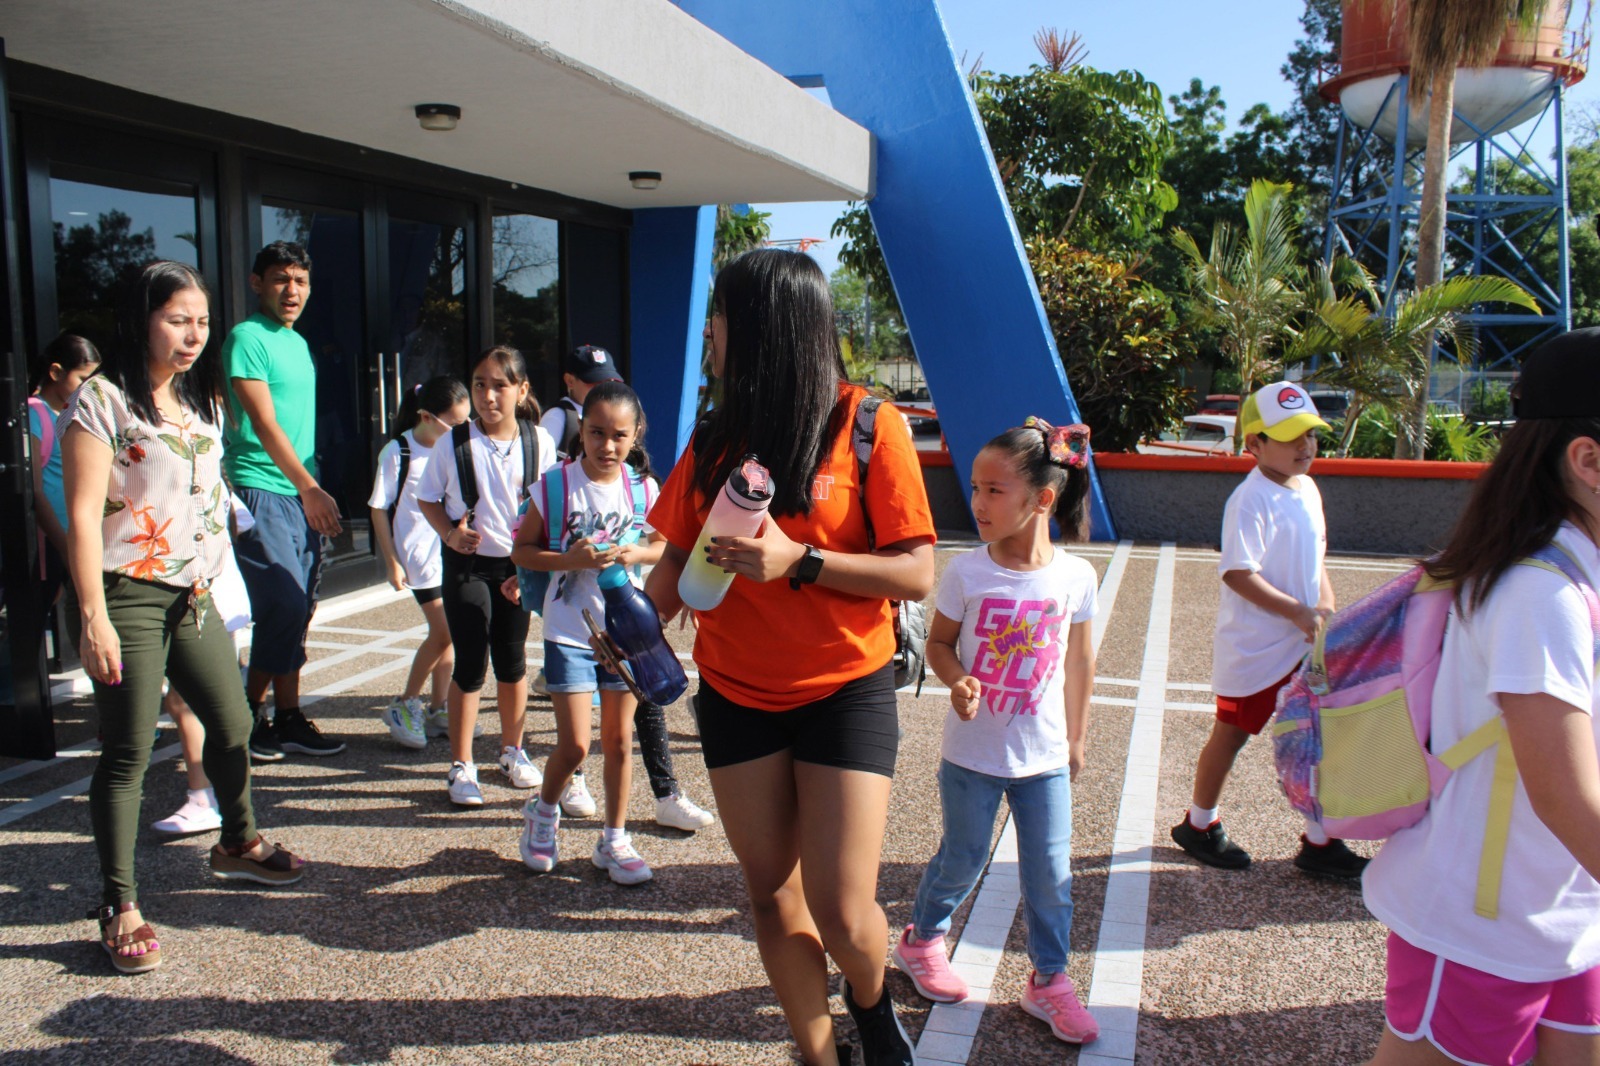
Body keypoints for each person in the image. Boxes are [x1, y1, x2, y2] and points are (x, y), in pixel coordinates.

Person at [643, 249, 936, 1066]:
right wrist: (632, 627)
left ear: (766, 328)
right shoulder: (714, 436)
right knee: (773, 896)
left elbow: (915, 572)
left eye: (721, 315)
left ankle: (870, 1000)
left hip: (845, 689)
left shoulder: (869, 425)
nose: (710, 331)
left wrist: (798, 561)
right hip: (735, 693)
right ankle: (819, 1054)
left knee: (842, 911)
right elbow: (675, 563)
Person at [1360, 330, 1600, 1065]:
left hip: (1566, 908)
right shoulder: (1540, 595)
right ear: (1588, 460)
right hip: (1480, 924)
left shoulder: (1575, 575)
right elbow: (1564, 795)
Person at [61, 260, 305, 975]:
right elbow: (82, 517)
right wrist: (93, 616)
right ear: (142, 319)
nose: (194, 335)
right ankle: (118, 902)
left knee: (232, 725)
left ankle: (238, 843)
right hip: (127, 594)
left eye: (201, 322)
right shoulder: (102, 401)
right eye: (177, 320)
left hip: (194, 595)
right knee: (129, 751)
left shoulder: (199, 401)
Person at [894, 417, 1100, 1045]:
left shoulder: (1076, 577)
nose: (978, 502)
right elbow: (939, 645)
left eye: (994, 490)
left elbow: (1080, 662)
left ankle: (1050, 981)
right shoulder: (967, 572)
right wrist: (957, 680)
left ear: (1043, 499)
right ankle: (921, 941)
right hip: (972, 755)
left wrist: (1076, 738)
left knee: (1051, 875)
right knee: (963, 857)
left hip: (1044, 757)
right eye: (975, 488)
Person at [1170, 381, 1364, 879]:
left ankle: (1320, 840)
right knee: (1231, 736)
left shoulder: (1308, 489)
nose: (1305, 445)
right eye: (1290, 436)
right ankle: (1199, 824)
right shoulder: (1250, 499)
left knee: (1316, 738)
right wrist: (1295, 611)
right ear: (1254, 444)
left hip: (1302, 648)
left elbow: (1316, 558)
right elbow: (1238, 572)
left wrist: (1323, 602)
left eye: (1310, 434)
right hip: (1256, 651)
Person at [513, 380, 665, 883]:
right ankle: (543, 811)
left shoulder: (643, 489)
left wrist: (637, 552)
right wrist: (569, 560)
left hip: (623, 632)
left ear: (636, 434)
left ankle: (614, 839)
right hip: (569, 630)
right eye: (596, 432)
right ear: (581, 430)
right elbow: (521, 551)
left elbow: (662, 545)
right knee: (576, 745)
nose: (607, 445)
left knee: (619, 742)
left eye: (619, 435)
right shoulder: (555, 485)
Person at [416, 345, 556, 806]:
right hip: (468, 566)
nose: (488, 395)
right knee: (472, 662)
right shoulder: (454, 442)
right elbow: (427, 498)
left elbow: (548, 504)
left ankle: (513, 751)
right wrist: (448, 534)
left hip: (517, 565)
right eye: (480, 385)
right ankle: (462, 764)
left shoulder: (540, 441)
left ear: (522, 390)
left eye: (500, 385)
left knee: (512, 662)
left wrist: (534, 563)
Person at [222, 240, 344, 761]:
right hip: (261, 486)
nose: (291, 290)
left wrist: (309, 486)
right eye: (280, 279)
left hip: (299, 489)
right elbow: (264, 423)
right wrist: (309, 487)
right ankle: (247, 713)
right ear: (258, 284)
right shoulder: (246, 338)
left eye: (300, 281)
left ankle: (288, 717)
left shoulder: (296, 341)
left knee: (301, 608)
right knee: (283, 603)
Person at [368, 375, 471, 748]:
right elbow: (378, 508)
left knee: (450, 635)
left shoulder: (453, 450)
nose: (463, 431)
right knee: (444, 632)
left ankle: (439, 709)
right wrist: (391, 561)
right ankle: (406, 702)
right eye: (455, 424)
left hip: (448, 552)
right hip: (417, 557)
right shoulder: (399, 451)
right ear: (427, 416)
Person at [152, 497, 254, 835]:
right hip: (212, 598)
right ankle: (214, 799)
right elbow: (242, 524)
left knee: (186, 704)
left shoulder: (191, 484)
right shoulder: (212, 483)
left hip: (205, 600)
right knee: (200, 707)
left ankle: (205, 798)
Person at [29, 333, 101, 613]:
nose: (89, 389)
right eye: (83, 379)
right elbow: (35, 490)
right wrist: (66, 549)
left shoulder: (74, 416)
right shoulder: (34, 414)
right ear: (56, 372)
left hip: (74, 542)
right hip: (51, 545)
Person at [538, 344, 620, 459]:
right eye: (593, 381)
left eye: (608, 381)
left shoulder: (616, 414)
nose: (602, 388)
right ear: (570, 381)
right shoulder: (557, 416)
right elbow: (541, 463)